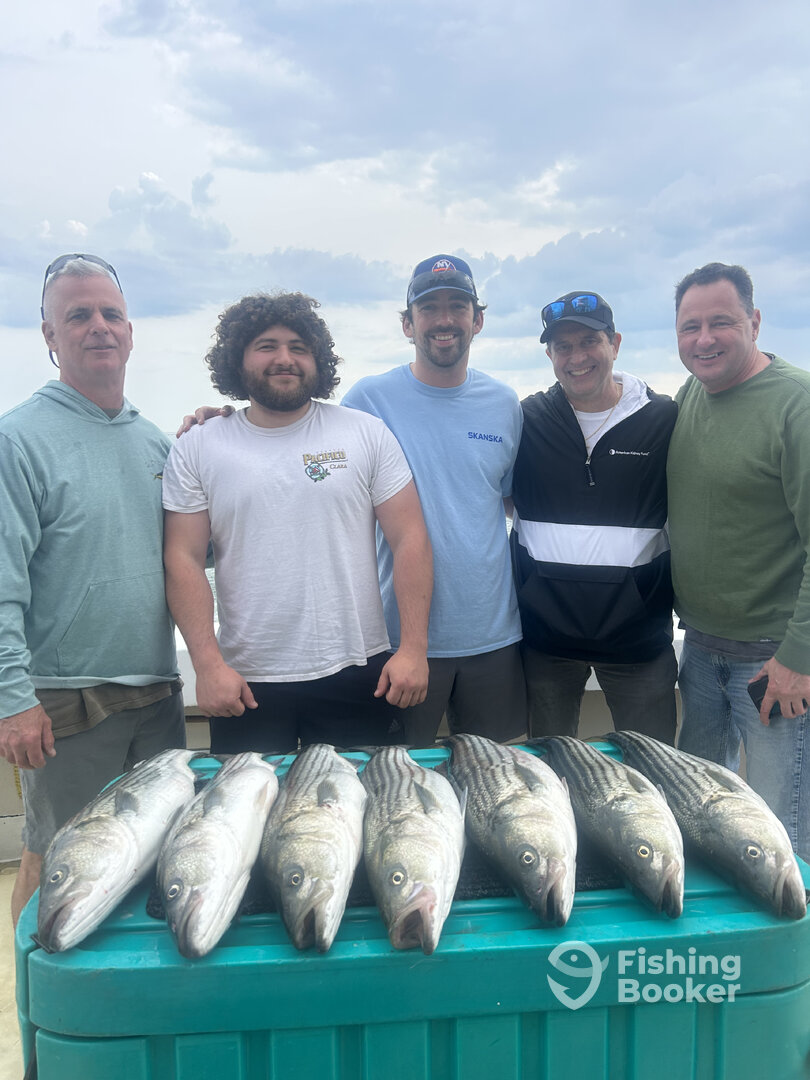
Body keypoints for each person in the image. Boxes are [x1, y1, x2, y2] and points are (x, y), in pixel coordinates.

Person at [162, 292, 432, 755]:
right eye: (266, 346)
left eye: (298, 347)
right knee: (254, 805)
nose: (284, 358)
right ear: (238, 358)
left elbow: (410, 538)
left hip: (359, 672)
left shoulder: (364, 432)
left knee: (361, 799)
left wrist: (412, 650)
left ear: (318, 360)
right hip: (245, 682)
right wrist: (207, 666)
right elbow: (183, 558)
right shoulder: (199, 445)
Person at [0, 254, 185, 925]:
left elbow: (198, 554)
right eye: (78, 315)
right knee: (55, 857)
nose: (98, 326)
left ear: (131, 333)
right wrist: (13, 700)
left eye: (111, 314)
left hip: (158, 694)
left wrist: (218, 440)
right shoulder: (17, 440)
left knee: (146, 860)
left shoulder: (157, 444)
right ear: (50, 336)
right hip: (63, 704)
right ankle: (35, 986)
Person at [341, 255, 527, 746]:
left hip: (494, 637)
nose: (444, 320)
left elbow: (505, 500)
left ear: (477, 320)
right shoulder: (368, 401)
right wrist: (230, 418)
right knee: (396, 779)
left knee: (496, 776)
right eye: (428, 308)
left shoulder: (504, 403)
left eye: (458, 306)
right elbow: (310, 457)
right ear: (407, 324)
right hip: (399, 642)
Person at [667, 261, 810, 860]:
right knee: (701, 822)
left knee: (782, 830)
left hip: (772, 661)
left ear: (754, 322)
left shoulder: (796, 405)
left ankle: (795, 918)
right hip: (700, 651)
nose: (704, 339)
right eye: (690, 326)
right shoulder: (689, 396)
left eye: (720, 322)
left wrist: (798, 659)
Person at [511, 291, 678, 740]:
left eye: (589, 341)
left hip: (638, 641)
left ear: (615, 344)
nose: (577, 357)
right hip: (545, 642)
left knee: (651, 767)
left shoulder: (663, 420)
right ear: (550, 355)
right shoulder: (527, 420)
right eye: (563, 346)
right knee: (548, 768)